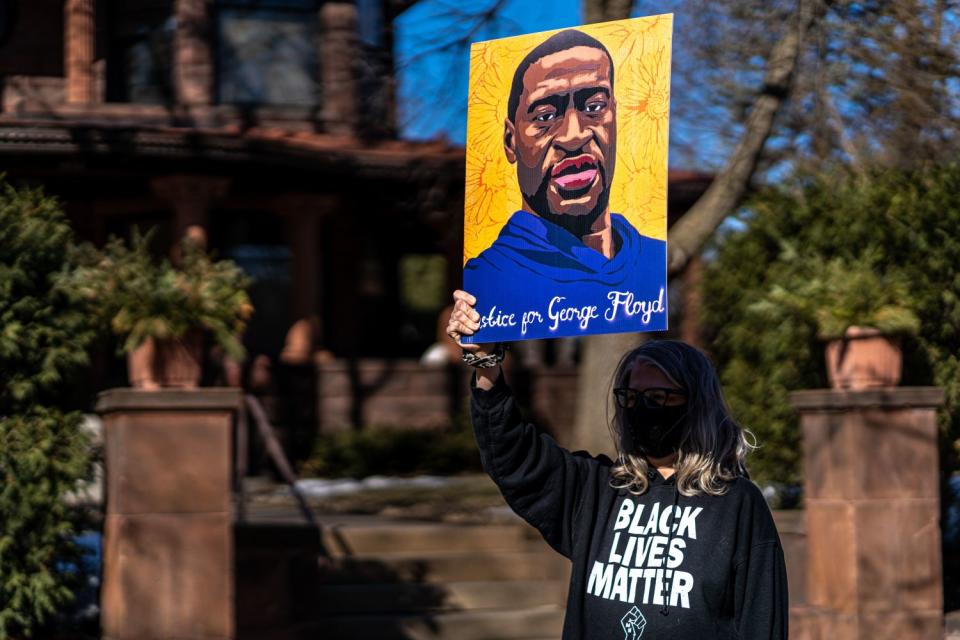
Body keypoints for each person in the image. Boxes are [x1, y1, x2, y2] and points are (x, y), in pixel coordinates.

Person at [447, 289, 788, 639]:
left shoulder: (736, 505)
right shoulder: (595, 489)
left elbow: (763, 623)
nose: (642, 408)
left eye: (658, 397)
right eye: (632, 397)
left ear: (696, 405)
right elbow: (512, 456)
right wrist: (486, 363)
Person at [463, 29, 667, 343]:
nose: (573, 136)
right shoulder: (489, 281)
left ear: (615, 118)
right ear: (510, 140)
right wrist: (481, 358)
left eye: (595, 108)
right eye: (545, 116)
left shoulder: (655, 262)